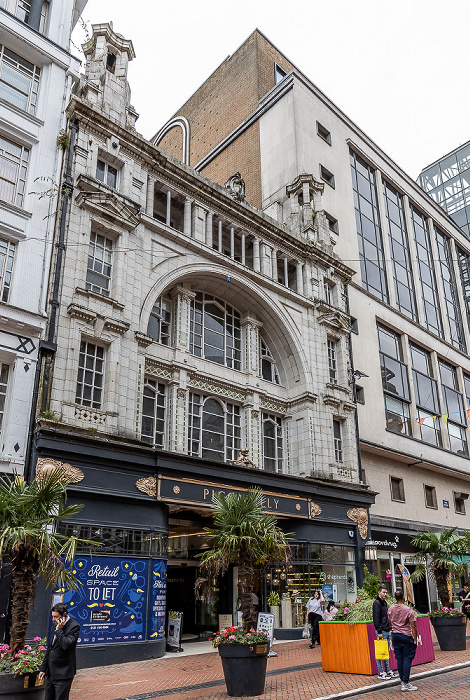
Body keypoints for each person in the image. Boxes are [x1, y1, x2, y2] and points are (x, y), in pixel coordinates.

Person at [39, 602, 80, 700]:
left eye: (56, 617)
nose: (53, 619)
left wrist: (59, 630)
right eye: (53, 616)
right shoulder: (55, 624)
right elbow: (50, 648)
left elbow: (66, 645)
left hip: (63, 674)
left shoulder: (74, 626)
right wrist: (43, 669)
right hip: (51, 673)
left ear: (64, 615)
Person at [388, 589, 418, 692]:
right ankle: (405, 682)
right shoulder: (408, 610)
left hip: (395, 636)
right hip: (406, 636)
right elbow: (413, 626)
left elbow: (390, 622)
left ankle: (402, 681)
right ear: (403, 598)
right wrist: (415, 639)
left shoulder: (391, 609)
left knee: (399, 659)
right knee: (407, 659)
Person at [372, 585, 398, 680]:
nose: (385, 594)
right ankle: (381, 672)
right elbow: (376, 618)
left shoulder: (384, 603)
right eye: (383, 592)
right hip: (382, 631)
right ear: (379, 592)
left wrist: (390, 627)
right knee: (380, 651)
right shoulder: (377, 603)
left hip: (386, 629)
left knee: (385, 651)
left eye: (386, 593)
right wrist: (379, 631)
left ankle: (387, 670)